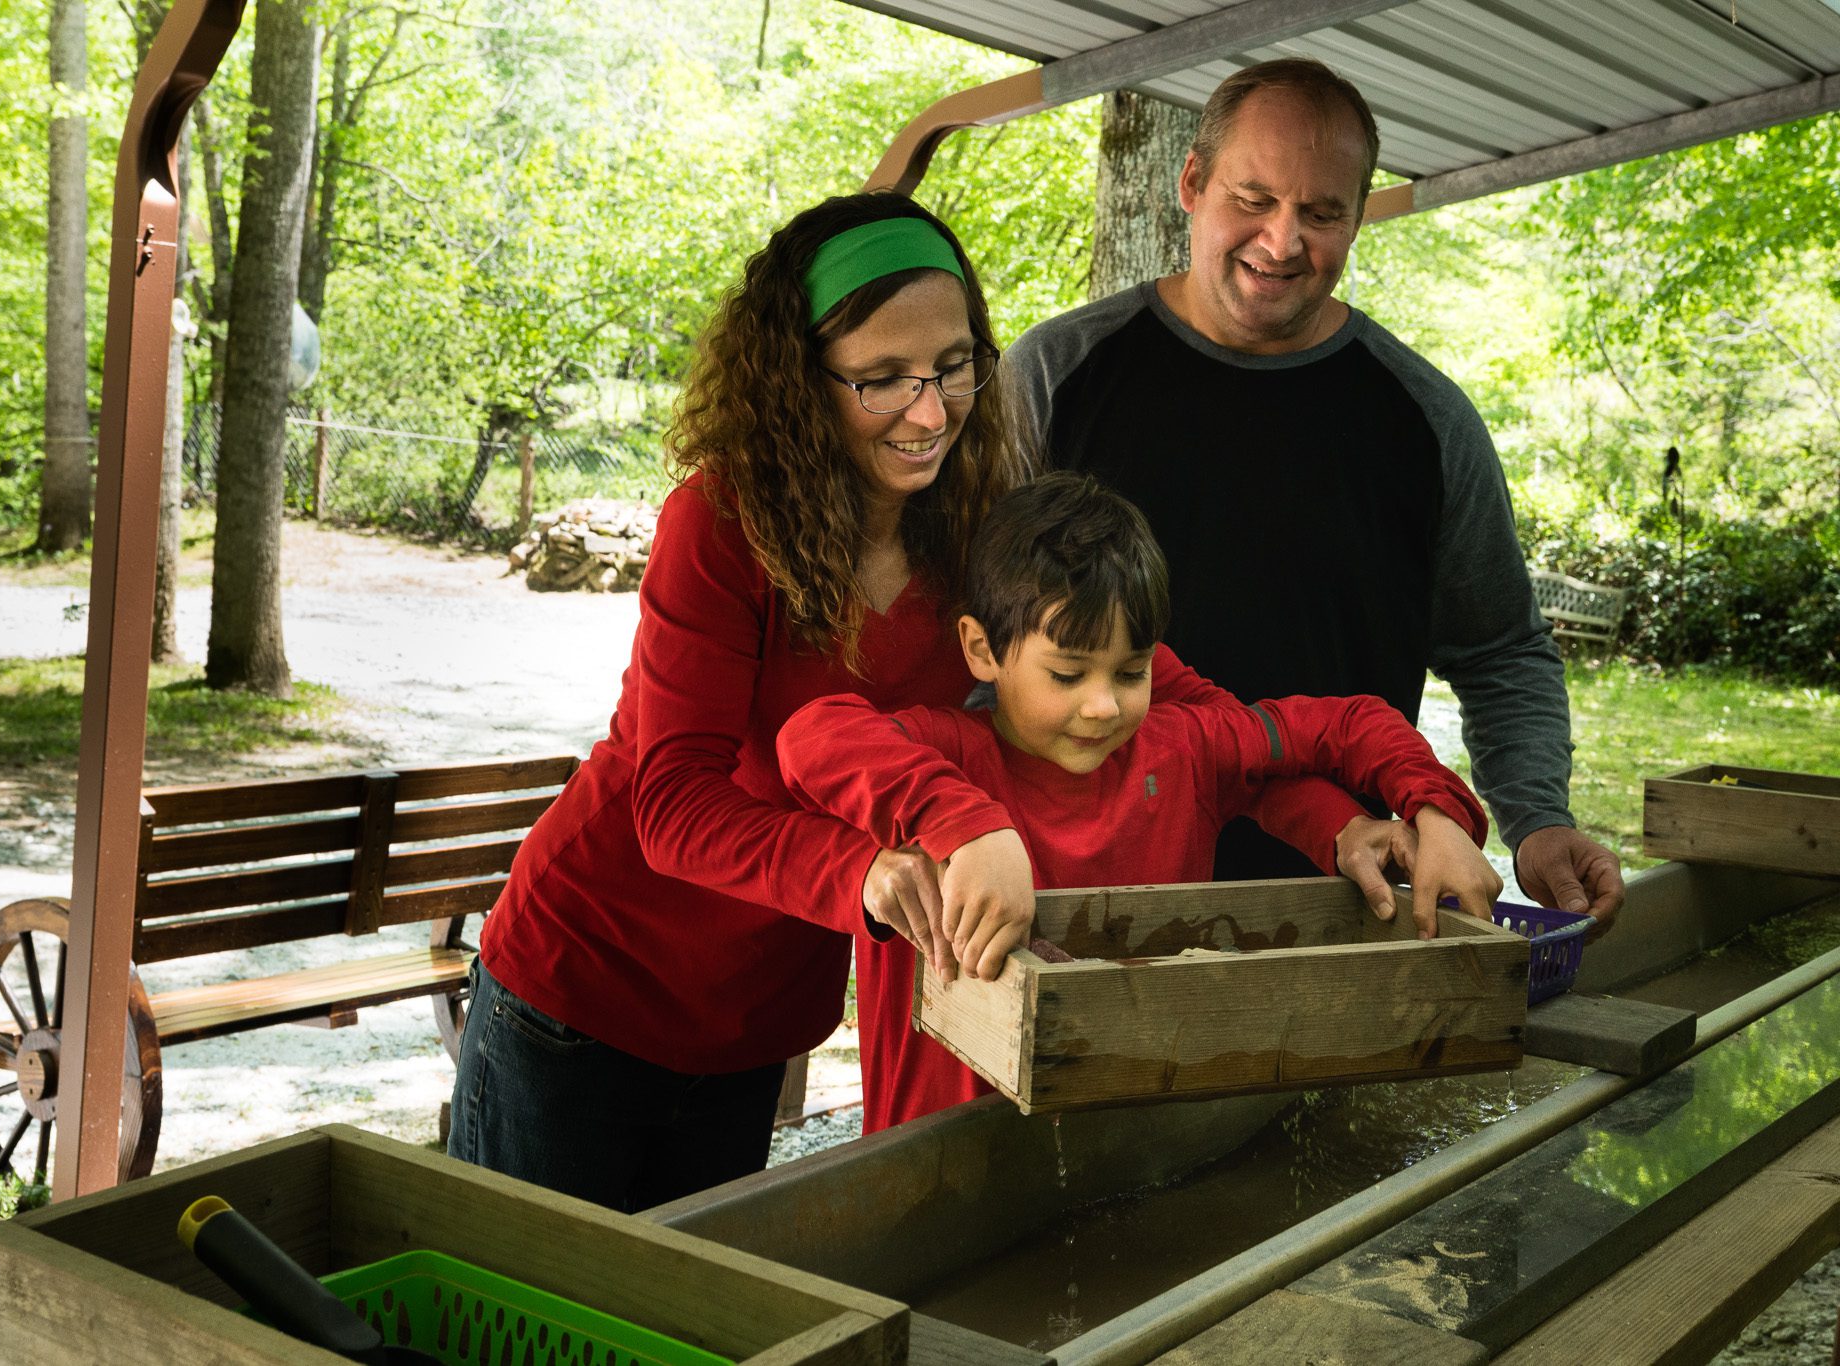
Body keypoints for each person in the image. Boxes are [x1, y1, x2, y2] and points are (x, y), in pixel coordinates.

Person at [446, 193, 1025, 1211]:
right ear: (799, 382)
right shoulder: (718, 524)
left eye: (952, 365)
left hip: (752, 1023)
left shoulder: (979, 535)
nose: (930, 412)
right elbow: (669, 805)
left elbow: (1105, 686)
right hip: (582, 990)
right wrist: (869, 873)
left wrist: (1338, 794)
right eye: (880, 380)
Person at [1004, 57, 1625, 929]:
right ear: (1191, 181)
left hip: (1346, 900)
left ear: (1359, 217)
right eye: (1253, 199)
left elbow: (1499, 651)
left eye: (1322, 212)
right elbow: (970, 642)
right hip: (1083, 905)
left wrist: (1538, 821)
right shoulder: (1054, 376)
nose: (1283, 241)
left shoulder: (1426, 418)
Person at [778, 472, 1500, 1130]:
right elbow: (813, 737)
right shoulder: (943, 754)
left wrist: (1438, 813)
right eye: (1066, 674)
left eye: (1131, 671)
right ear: (982, 650)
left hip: (1139, 1140)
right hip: (933, 1157)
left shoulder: (1185, 747)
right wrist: (963, 826)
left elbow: (1353, 723)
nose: (1102, 706)